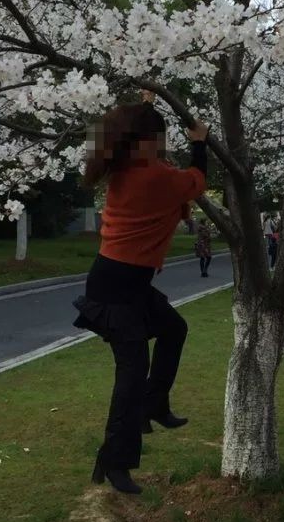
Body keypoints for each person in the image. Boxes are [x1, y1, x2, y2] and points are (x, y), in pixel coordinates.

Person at [71, 100, 208, 495]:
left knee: (174, 329)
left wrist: (146, 102)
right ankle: (115, 462)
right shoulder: (151, 176)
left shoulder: (128, 168)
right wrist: (199, 142)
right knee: (130, 377)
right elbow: (195, 181)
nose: (164, 145)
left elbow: (170, 179)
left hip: (125, 282)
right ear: (144, 141)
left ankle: (155, 404)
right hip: (116, 289)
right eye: (159, 138)